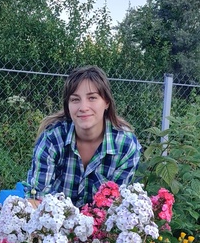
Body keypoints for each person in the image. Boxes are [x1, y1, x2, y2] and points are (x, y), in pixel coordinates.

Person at [26, 65, 141, 207]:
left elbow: (115, 207)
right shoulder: (52, 139)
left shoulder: (126, 146)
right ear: (68, 105)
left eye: (92, 98)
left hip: (101, 220)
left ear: (106, 102)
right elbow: (36, 198)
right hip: (52, 218)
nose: (83, 107)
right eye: (75, 100)